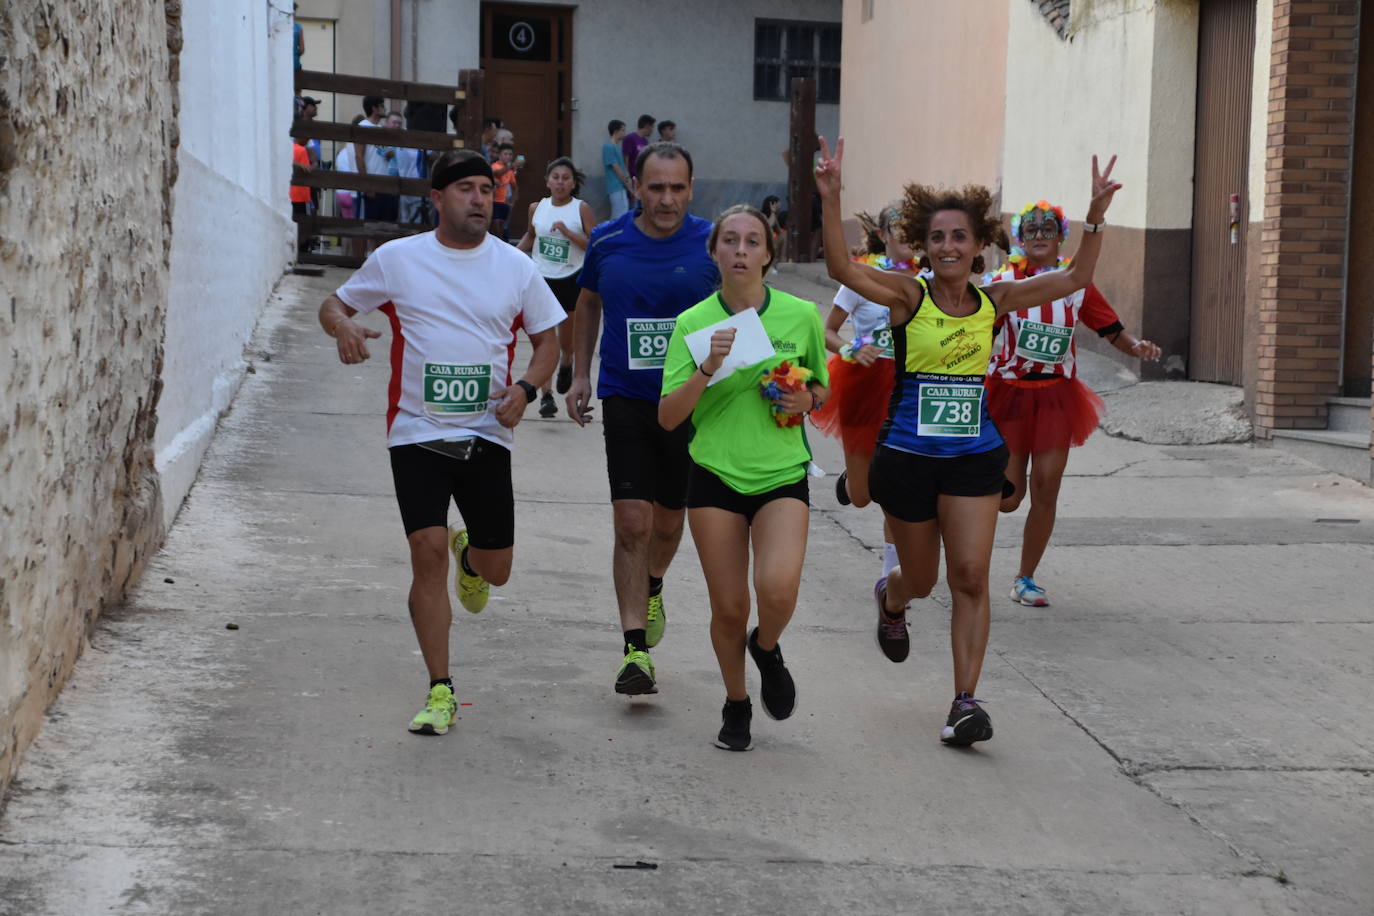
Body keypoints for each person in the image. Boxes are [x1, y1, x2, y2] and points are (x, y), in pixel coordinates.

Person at [814, 136, 1121, 746]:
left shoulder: (996, 299)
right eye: (937, 238)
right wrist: (831, 198)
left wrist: (1094, 217)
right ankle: (892, 599)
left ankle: (964, 703)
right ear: (925, 248)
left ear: (980, 244)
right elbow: (842, 271)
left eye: (960, 236)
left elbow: (1077, 277)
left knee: (973, 576)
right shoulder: (908, 296)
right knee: (921, 581)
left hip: (974, 457)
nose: (949, 247)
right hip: (906, 458)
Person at [316, 149, 565, 736]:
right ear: (437, 199)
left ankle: (470, 556)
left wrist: (527, 390)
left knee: (497, 570)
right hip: (417, 430)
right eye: (466, 190)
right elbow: (333, 303)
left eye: (486, 189)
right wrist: (344, 325)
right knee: (423, 552)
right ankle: (441, 689)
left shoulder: (515, 266)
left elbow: (549, 339)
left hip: (487, 435)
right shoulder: (399, 259)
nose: (480, 199)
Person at [659, 205, 830, 751]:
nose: (740, 251)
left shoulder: (801, 315)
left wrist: (807, 399)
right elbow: (667, 417)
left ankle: (768, 645)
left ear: (768, 254)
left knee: (777, 591)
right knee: (728, 607)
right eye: (729, 241)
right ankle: (736, 703)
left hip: (781, 473)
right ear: (714, 252)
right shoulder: (692, 323)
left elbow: (820, 390)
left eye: (751, 241)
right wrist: (707, 366)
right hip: (714, 475)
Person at [564, 142, 719, 697]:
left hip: (692, 403)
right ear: (635, 187)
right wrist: (580, 374)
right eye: (655, 187)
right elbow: (587, 305)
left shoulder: (711, 242)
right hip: (627, 398)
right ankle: (634, 651)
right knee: (633, 523)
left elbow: (745, 306)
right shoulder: (607, 240)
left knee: (669, 524)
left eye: (677, 187)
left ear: (691, 189)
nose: (667, 199)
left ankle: (653, 584)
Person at [986, 201, 1161, 607]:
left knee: (1046, 488)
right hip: (1009, 393)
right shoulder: (1003, 281)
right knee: (1009, 499)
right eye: (1031, 231)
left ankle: (1025, 578)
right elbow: (977, 332)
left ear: (1061, 236)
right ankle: (956, 522)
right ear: (1020, 239)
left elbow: (1110, 328)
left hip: (1055, 397)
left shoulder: (1075, 282)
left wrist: (1135, 346)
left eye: (1048, 229)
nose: (1040, 236)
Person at [809, 204, 921, 584]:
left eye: (913, 228)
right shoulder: (858, 277)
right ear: (884, 235)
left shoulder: (929, 280)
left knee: (895, 486)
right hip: (862, 382)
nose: (906, 235)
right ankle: (850, 482)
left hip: (906, 388)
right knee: (862, 495)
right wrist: (849, 348)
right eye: (898, 227)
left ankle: (890, 572)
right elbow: (827, 331)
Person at [516, 157, 595, 417]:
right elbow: (530, 235)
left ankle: (566, 363)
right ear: (548, 181)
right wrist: (510, 257)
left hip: (572, 278)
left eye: (566, 178)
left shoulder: (580, 208)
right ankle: (546, 396)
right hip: (542, 278)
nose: (560, 182)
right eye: (556, 177)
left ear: (573, 183)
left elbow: (594, 245)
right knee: (544, 339)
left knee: (566, 339)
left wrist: (568, 233)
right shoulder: (536, 208)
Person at [354, 96, 398, 223]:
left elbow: (377, 153)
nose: (385, 108)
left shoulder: (380, 128)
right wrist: (366, 185)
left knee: (386, 227)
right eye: (382, 105)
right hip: (373, 185)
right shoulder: (363, 127)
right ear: (374, 108)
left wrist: (388, 154)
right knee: (372, 227)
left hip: (386, 183)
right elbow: (359, 156)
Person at [602, 120, 632, 219]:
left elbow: (622, 167)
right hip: (615, 187)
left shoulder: (618, 147)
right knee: (617, 216)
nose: (624, 133)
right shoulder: (608, 147)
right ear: (616, 131)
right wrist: (629, 186)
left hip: (621, 187)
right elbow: (617, 168)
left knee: (623, 213)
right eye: (622, 130)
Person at [491, 142, 518, 239]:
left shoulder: (510, 171)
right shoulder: (494, 166)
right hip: (494, 202)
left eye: (510, 154)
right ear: (499, 155)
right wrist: (509, 167)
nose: (508, 156)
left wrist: (513, 201)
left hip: (505, 203)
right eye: (505, 154)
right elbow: (496, 173)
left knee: (502, 230)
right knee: (495, 229)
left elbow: (514, 186)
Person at [623, 114, 655, 183]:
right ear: (647, 126)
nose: (652, 130)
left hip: (643, 178)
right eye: (652, 127)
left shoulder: (645, 141)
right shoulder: (630, 138)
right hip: (633, 178)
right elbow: (626, 159)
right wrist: (628, 178)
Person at [760, 195, 787, 266]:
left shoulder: (773, 216)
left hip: (772, 244)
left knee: (785, 234)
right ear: (772, 204)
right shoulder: (762, 215)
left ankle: (782, 260)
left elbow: (780, 233)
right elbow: (767, 226)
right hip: (763, 245)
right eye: (778, 204)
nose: (780, 207)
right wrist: (772, 212)